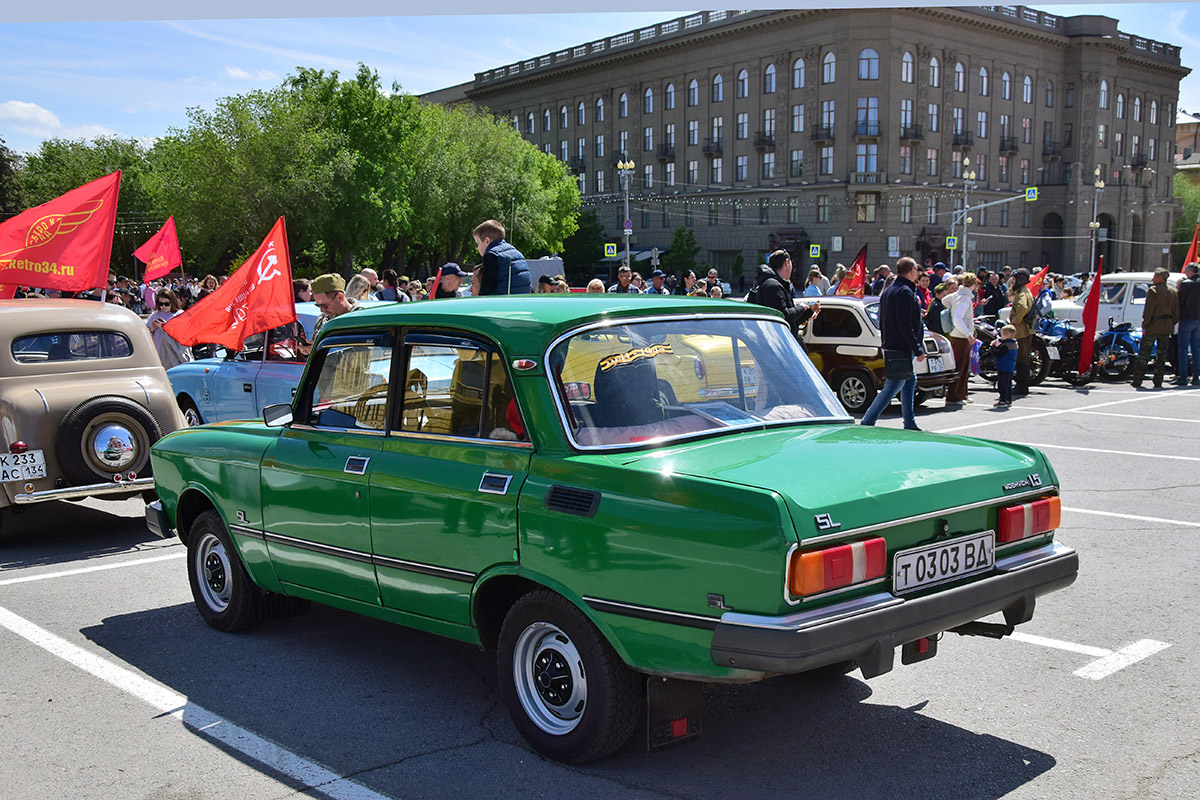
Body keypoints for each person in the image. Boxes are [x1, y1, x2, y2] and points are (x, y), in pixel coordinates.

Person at [860, 257, 926, 431]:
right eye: (916, 270)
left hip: (894, 344)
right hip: (900, 346)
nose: (918, 273)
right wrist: (917, 348)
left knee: (910, 381)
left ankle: (909, 422)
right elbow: (905, 324)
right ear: (911, 270)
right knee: (893, 385)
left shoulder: (891, 289)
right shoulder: (904, 291)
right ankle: (868, 421)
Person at [748, 250, 819, 338]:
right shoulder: (773, 286)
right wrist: (802, 307)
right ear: (786, 263)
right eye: (791, 264)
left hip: (782, 342)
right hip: (777, 343)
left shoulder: (779, 285)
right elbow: (783, 316)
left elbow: (791, 322)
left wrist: (810, 310)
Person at [1131, 268, 1179, 388]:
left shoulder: (1153, 291)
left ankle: (1138, 380)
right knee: (1162, 356)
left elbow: (1148, 311)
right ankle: (1158, 381)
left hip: (1153, 326)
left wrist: (1145, 325)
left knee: (1144, 355)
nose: (1153, 279)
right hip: (1166, 326)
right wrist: (1170, 323)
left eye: (1155, 276)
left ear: (1160, 278)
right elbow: (1176, 313)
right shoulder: (1173, 291)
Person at [473, 219, 530, 295]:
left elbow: (486, 288)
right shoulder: (517, 253)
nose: (477, 248)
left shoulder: (492, 255)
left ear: (487, 241)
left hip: (501, 303)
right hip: (522, 301)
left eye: (478, 243)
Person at [945, 272, 977, 405]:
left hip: (957, 336)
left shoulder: (958, 295)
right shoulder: (965, 298)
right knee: (960, 367)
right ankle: (954, 396)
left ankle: (962, 393)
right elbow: (958, 319)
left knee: (963, 367)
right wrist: (968, 334)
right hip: (961, 336)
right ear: (973, 285)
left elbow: (944, 300)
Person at [145, 289, 194, 370]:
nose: (163, 306)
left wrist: (166, 327)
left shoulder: (179, 315)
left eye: (166, 304)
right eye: (161, 304)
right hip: (157, 352)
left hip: (171, 354)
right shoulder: (155, 314)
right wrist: (152, 329)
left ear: (172, 302)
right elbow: (146, 333)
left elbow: (183, 336)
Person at [311, 273, 363, 338]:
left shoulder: (361, 318)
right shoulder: (322, 320)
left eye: (324, 305)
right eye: (318, 305)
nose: (322, 310)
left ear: (340, 297)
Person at [1009, 269, 1035, 396]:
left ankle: (1022, 387)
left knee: (1021, 360)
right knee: (1023, 359)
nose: (1013, 281)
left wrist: (1014, 321)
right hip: (1025, 329)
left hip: (1021, 331)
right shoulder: (1024, 291)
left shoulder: (1022, 293)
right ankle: (1022, 386)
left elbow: (1022, 308)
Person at [1176, 263, 1200, 386]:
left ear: (1190, 272)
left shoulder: (1186, 284)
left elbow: (1180, 302)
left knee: (1183, 349)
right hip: (1199, 319)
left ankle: (1183, 376)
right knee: (1197, 349)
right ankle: (1196, 377)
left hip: (1187, 319)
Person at [991, 324, 1019, 408]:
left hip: (1003, 366)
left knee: (1002, 384)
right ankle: (1008, 400)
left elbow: (998, 354)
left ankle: (1002, 400)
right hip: (1010, 367)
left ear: (1006, 335)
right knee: (1008, 384)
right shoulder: (1014, 344)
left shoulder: (1006, 346)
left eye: (1002, 334)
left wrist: (993, 347)